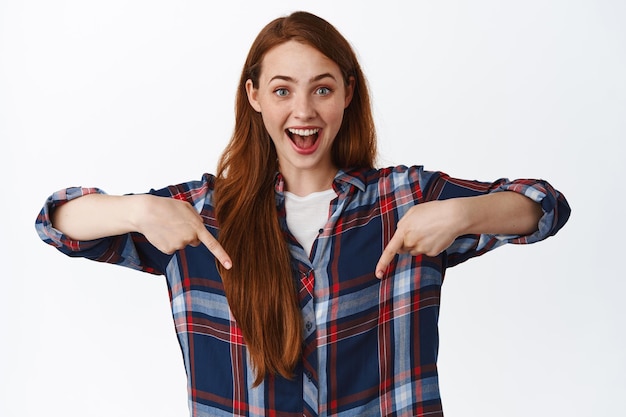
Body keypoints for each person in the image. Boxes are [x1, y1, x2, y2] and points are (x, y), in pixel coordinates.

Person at [35, 10, 570, 417]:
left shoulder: (403, 198)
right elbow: (57, 223)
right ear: (255, 98)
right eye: (282, 90)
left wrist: (463, 215)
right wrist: (138, 209)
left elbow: (543, 206)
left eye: (322, 89)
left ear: (347, 95)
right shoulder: (199, 215)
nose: (304, 111)